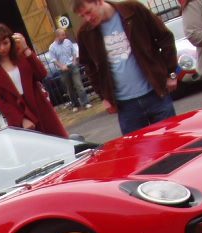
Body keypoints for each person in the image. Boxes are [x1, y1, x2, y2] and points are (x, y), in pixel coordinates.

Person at [73, 0, 178, 134]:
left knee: (172, 142)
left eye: (88, 12)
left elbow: (165, 38)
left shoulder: (133, 11)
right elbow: (90, 67)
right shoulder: (85, 33)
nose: (88, 18)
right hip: (126, 106)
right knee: (139, 151)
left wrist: (171, 73)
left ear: (98, 2)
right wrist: (104, 96)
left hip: (156, 94)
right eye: (82, 16)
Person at [0, 24, 68, 138]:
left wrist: (26, 49)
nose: (2, 48)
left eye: (5, 43)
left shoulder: (22, 56)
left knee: (59, 142)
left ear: (11, 41)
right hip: (18, 112)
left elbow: (41, 74)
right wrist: (21, 119)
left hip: (40, 107)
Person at [48, 27, 91, 111]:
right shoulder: (52, 47)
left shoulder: (68, 42)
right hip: (63, 70)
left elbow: (73, 52)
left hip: (72, 66)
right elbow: (54, 60)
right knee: (69, 88)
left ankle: (85, 103)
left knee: (78, 84)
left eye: (64, 34)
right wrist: (61, 66)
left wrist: (74, 60)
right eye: (63, 35)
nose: (65, 36)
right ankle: (75, 105)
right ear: (57, 36)